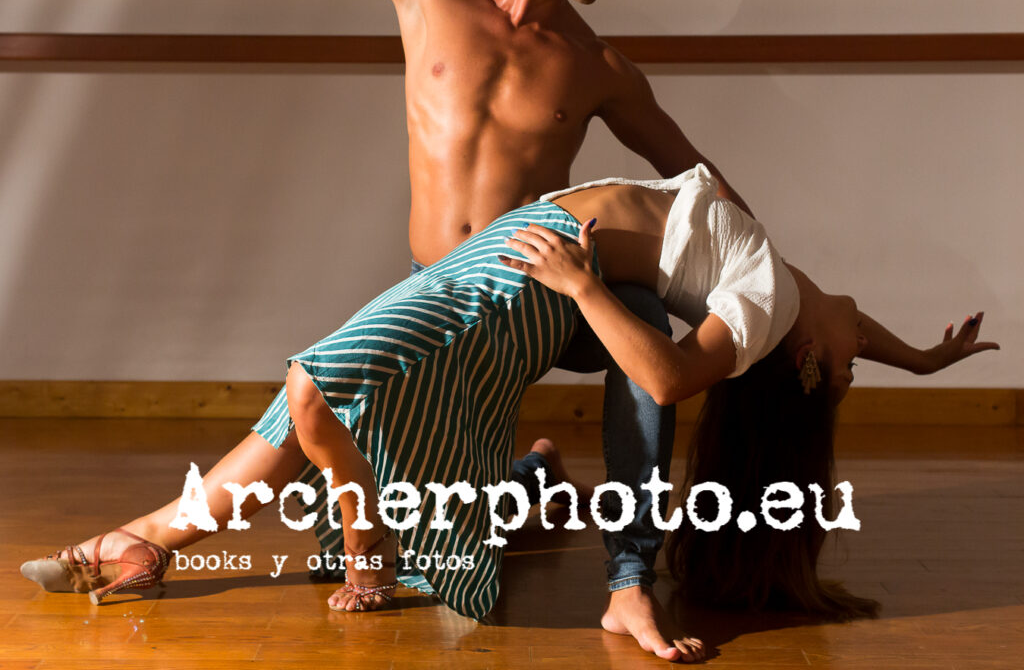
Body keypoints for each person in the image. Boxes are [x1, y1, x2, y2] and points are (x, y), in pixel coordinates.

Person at [89, 0, 750, 659]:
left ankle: (629, 581)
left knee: (641, 332)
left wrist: (782, 285)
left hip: (548, 289)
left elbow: (695, 183)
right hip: (441, 284)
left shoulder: (600, 66)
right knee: (351, 435)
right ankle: (523, 483)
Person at [22, 165, 995, 665]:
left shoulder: (764, 315)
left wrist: (581, 283)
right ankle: (152, 539)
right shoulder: (801, 305)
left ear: (806, 364)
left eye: (850, 368)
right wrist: (927, 356)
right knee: (328, 388)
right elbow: (860, 328)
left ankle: (364, 539)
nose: (859, 346)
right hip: (511, 247)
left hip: (524, 278)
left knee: (319, 382)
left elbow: (659, 377)